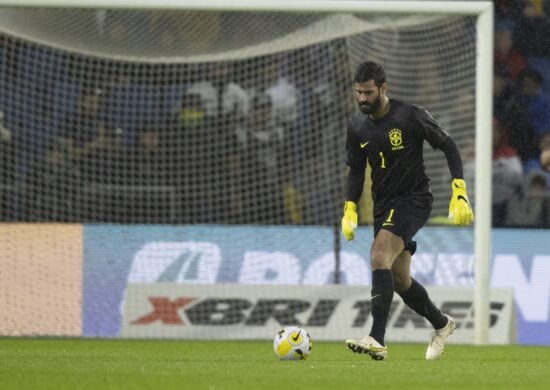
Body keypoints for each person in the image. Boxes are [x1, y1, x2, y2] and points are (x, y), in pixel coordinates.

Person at [341, 61, 474, 361]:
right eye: (358, 93)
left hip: (414, 199)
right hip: (383, 205)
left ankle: (377, 338)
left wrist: (460, 190)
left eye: (368, 93)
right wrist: (349, 207)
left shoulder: (410, 116)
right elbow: (356, 171)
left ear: (384, 89)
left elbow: (449, 145)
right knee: (399, 279)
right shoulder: (356, 126)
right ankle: (442, 325)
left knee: (378, 256)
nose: (362, 99)